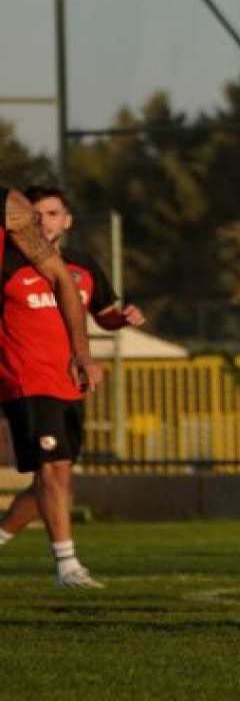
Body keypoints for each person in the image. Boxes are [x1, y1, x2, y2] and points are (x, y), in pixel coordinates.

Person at [0, 185, 109, 588]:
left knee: (56, 474)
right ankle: (67, 566)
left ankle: (66, 565)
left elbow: (62, 279)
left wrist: (81, 354)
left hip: (54, 375)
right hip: (23, 373)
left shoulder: (11, 209)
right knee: (52, 474)